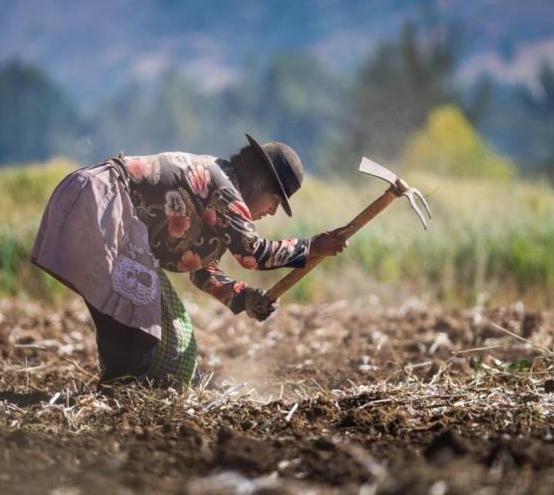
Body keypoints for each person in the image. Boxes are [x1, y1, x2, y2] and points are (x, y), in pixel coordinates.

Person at [30, 134, 348, 386]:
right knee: (133, 326)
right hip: (100, 203)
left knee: (145, 327)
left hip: (94, 201)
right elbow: (254, 254)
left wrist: (245, 297)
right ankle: (120, 399)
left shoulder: (217, 192)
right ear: (259, 183)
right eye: (276, 201)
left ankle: (124, 394)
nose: (272, 211)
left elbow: (201, 270)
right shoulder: (224, 189)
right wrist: (313, 246)